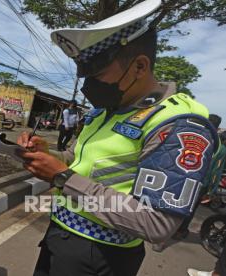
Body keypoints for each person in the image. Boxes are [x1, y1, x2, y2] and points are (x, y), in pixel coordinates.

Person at [16, 0, 218, 275]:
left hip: (102, 256)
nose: (89, 86)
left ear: (139, 66)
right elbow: (78, 160)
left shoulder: (178, 125)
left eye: (97, 75)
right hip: (60, 236)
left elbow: (157, 223)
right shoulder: (104, 112)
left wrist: (63, 178)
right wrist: (49, 155)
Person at [187, 131, 226, 276]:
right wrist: (211, 189)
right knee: (190, 209)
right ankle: (180, 231)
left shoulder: (203, 139)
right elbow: (216, 171)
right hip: (202, 183)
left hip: (190, 178)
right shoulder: (222, 150)